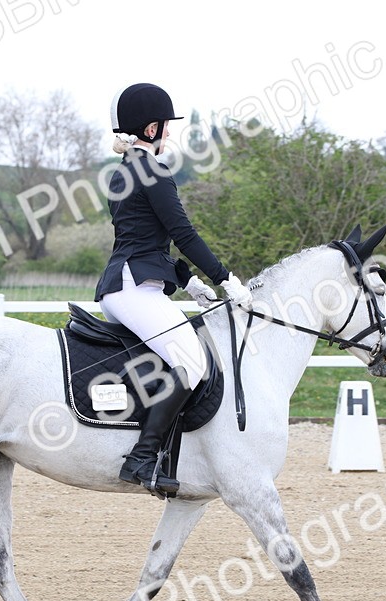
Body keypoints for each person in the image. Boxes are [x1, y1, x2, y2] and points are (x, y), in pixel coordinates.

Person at [96, 82, 253, 496]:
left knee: (181, 356)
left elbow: (143, 239)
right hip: (134, 290)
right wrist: (224, 279)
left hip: (128, 285)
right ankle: (142, 458)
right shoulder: (153, 171)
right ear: (150, 129)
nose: (168, 134)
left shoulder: (123, 171)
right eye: (165, 127)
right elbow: (182, 232)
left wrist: (187, 281)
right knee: (191, 358)